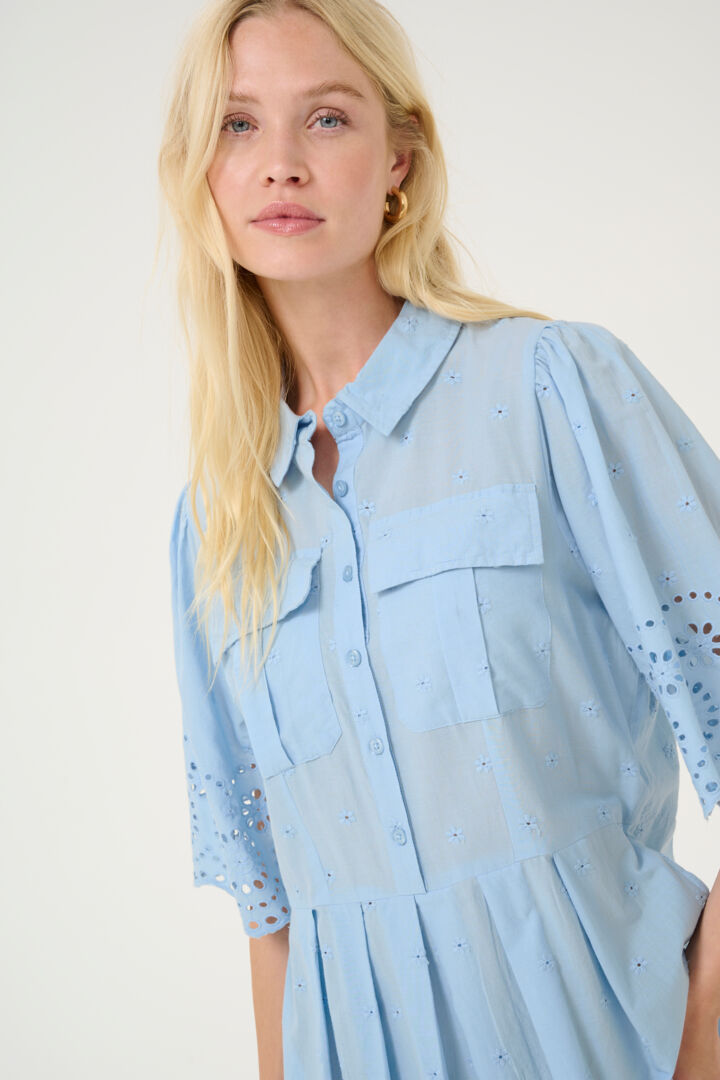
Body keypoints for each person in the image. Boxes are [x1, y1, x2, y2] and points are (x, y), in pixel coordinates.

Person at [159, 1, 720, 1077]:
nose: (280, 163)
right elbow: (269, 907)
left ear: (399, 160)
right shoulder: (214, 524)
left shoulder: (551, 386)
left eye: (327, 118)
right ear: (200, 175)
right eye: (237, 125)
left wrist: (701, 1046)